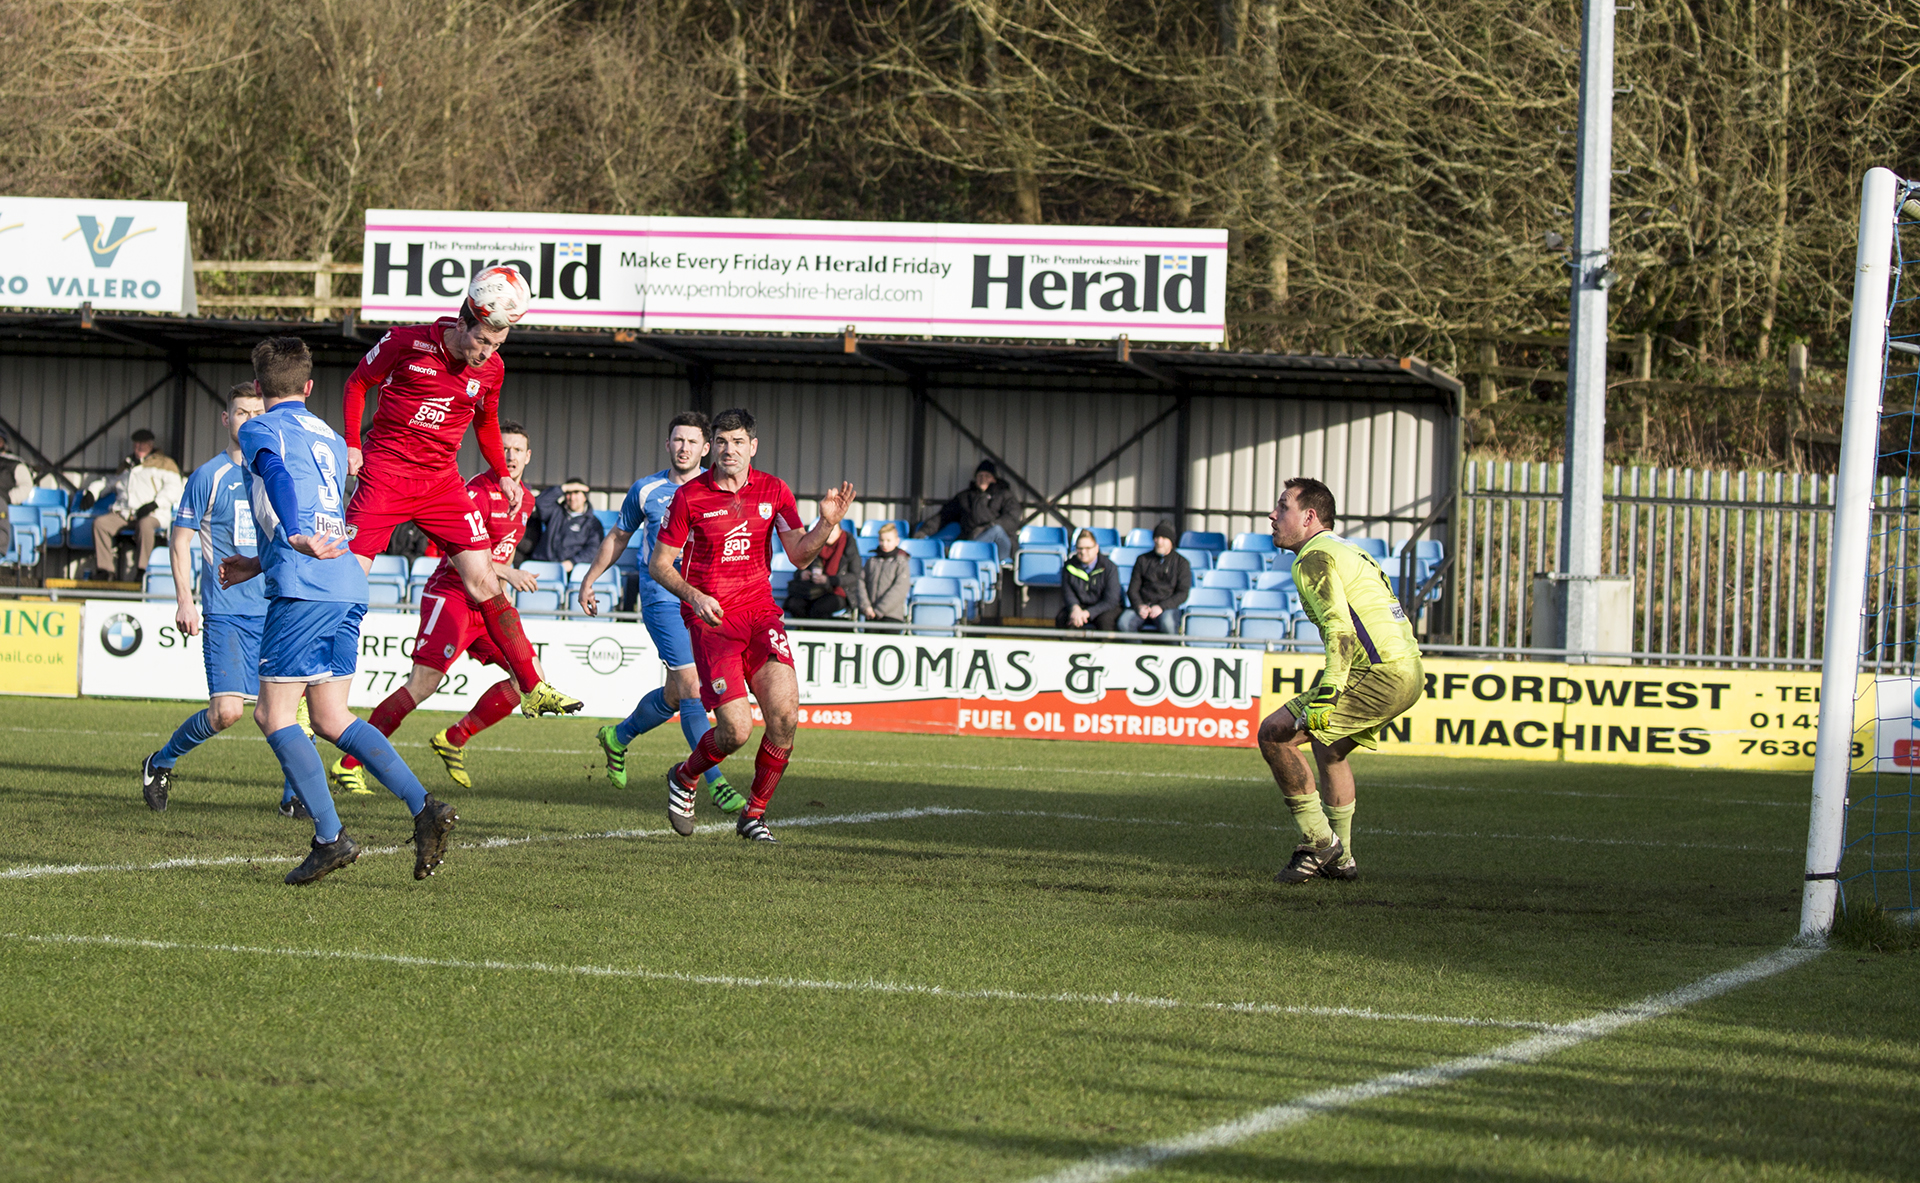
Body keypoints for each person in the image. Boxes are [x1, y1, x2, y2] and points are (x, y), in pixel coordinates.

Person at [218, 336, 457, 886]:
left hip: (305, 586)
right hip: (345, 579)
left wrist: (295, 536)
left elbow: (277, 476)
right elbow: (325, 507)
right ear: (308, 387)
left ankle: (331, 838)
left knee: (274, 715)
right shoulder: (328, 434)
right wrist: (262, 560)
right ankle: (425, 808)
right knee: (330, 717)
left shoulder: (257, 428)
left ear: (258, 389)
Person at [339, 265, 579, 719]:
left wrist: (501, 472)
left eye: (497, 345)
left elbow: (487, 422)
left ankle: (533, 685)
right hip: (386, 475)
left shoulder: (492, 370)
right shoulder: (405, 343)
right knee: (348, 584)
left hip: (441, 483)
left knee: (485, 579)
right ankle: (316, 694)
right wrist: (353, 443)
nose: (487, 352)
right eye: (482, 340)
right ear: (462, 322)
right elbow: (357, 384)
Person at [651, 407, 856, 842]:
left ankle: (753, 815)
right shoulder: (690, 497)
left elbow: (800, 554)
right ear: (713, 447)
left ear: (753, 447)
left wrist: (827, 522)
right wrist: (694, 596)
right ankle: (684, 776)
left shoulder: (774, 490)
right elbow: (659, 565)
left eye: (738, 442)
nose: (730, 450)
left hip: (761, 614)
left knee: (784, 716)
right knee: (736, 732)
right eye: (722, 442)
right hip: (712, 620)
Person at [328, 419, 553, 795]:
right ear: (493, 454)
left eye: (517, 450)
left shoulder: (526, 500)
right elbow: (454, 558)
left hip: (487, 606)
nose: (510, 456)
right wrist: (507, 573)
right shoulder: (474, 493)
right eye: (505, 448)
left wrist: (502, 588)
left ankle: (454, 737)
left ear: (528, 457)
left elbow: (503, 550)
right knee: (423, 685)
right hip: (451, 596)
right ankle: (347, 763)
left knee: (529, 678)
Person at [140, 383, 311, 818]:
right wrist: (185, 600)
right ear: (226, 419)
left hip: (277, 608)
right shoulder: (207, 476)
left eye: (257, 413)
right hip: (228, 613)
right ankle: (160, 761)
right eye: (241, 413)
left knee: (287, 713)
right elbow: (179, 543)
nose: (249, 421)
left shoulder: (275, 472)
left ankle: (295, 797)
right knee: (227, 712)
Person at [1258, 477, 1423, 886]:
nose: (1273, 515)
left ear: (1309, 516)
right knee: (1330, 751)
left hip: (1378, 673)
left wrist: (1329, 691)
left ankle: (1319, 842)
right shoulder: (1348, 549)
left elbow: (1339, 629)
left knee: (1275, 734)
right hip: (1408, 669)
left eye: (1283, 507)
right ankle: (1342, 858)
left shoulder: (1313, 556)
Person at [577, 412, 745, 814]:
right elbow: (619, 536)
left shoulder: (722, 492)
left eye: (692, 442)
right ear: (668, 445)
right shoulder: (646, 489)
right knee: (690, 686)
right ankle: (714, 780)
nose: (684, 447)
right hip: (662, 597)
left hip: (706, 599)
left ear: (707, 449)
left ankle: (618, 737)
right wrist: (589, 580)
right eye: (678, 440)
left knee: (677, 692)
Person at [91, 429, 183, 579]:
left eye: (143, 444)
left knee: (145, 525)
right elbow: (108, 483)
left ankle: (142, 570)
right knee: (100, 524)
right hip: (125, 513)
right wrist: (92, 492)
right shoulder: (127, 466)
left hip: (152, 513)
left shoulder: (164, 464)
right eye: (137, 444)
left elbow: (174, 488)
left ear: (151, 445)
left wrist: (154, 504)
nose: (139, 447)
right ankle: (105, 570)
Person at [920, 459, 1020, 560]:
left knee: (996, 530)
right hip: (972, 539)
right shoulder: (964, 497)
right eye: (980, 476)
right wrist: (923, 531)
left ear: (994, 479)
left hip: (1000, 546)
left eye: (987, 476)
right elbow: (943, 516)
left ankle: (960, 552)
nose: (983, 479)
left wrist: (987, 528)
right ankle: (964, 552)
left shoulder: (1005, 495)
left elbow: (1012, 519)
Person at [783, 513, 863, 619]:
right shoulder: (814, 544)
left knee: (820, 608)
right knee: (794, 604)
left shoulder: (848, 544)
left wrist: (828, 580)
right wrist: (803, 573)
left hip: (840, 591)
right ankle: (804, 631)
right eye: (827, 531)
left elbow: (854, 576)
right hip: (814, 589)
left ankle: (816, 632)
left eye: (833, 531)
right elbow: (799, 567)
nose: (829, 534)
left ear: (840, 531)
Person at [1118, 520, 1191, 634]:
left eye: (1164, 538)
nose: (1159, 542)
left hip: (1167, 608)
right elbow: (1133, 589)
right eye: (1157, 537)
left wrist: (1161, 607)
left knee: (1168, 624)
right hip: (1143, 606)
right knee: (1124, 623)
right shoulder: (1142, 560)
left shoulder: (1182, 563)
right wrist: (1139, 606)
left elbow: (1182, 593)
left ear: (1171, 541)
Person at [529, 477, 604, 575]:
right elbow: (540, 502)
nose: (572, 498)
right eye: (569, 493)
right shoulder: (555, 511)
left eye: (576, 492)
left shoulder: (592, 523)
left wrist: (572, 562)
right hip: (543, 564)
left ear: (584, 497)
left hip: (570, 572)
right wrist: (562, 488)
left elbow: (593, 549)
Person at [1057, 529, 1122, 632]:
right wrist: (1075, 608)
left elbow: (1111, 600)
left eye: (1087, 548)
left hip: (1104, 608)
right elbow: (1067, 593)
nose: (1083, 552)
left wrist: (1088, 613)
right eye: (1079, 548)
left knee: (1105, 621)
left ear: (1096, 548)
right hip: (1080, 606)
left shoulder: (1110, 567)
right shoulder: (1069, 566)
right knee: (1063, 618)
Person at [861, 522, 911, 622]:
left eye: (888, 540)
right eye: (881, 540)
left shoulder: (901, 563)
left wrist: (879, 610)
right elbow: (861, 583)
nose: (885, 544)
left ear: (897, 541)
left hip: (892, 616)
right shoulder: (871, 561)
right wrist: (866, 607)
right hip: (870, 615)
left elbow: (899, 590)